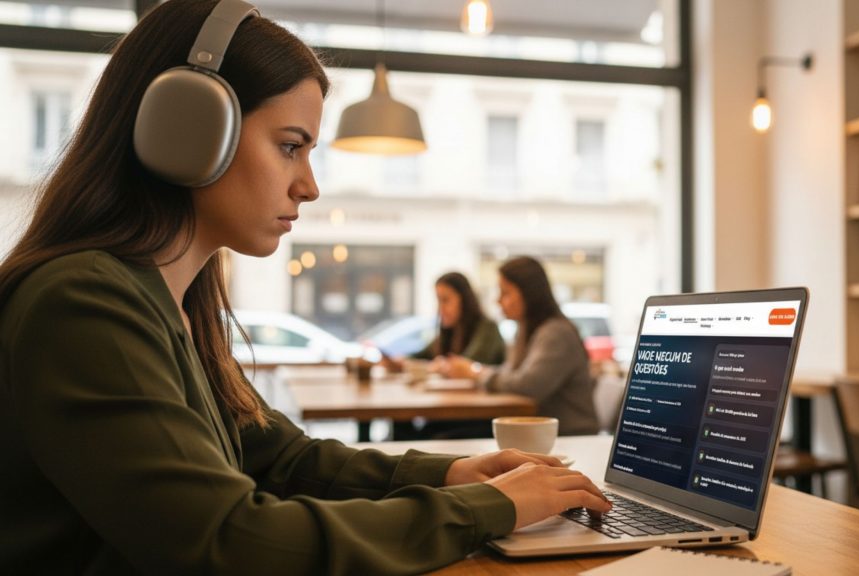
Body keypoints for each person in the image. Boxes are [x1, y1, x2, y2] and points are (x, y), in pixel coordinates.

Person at [0, 1, 610, 574]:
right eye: (291, 147)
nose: (309, 186)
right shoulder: (84, 304)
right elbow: (229, 542)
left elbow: (285, 460)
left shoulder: (173, 305)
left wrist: (457, 473)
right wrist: (491, 507)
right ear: (187, 130)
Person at [444, 256, 600, 436]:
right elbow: (512, 374)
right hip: (537, 430)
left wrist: (475, 372)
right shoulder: (527, 330)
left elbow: (527, 385)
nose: (498, 301)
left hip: (567, 436)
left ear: (529, 293)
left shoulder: (556, 333)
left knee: (446, 436)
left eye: (505, 293)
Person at [408, 271, 505, 366]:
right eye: (438, 301)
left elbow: (468, 364)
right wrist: (402, 362)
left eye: (445, 300)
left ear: (464, 300)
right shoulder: (450, 331)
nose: (440, 308)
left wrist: (441, 365)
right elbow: (420, 356)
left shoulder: (487, 328)